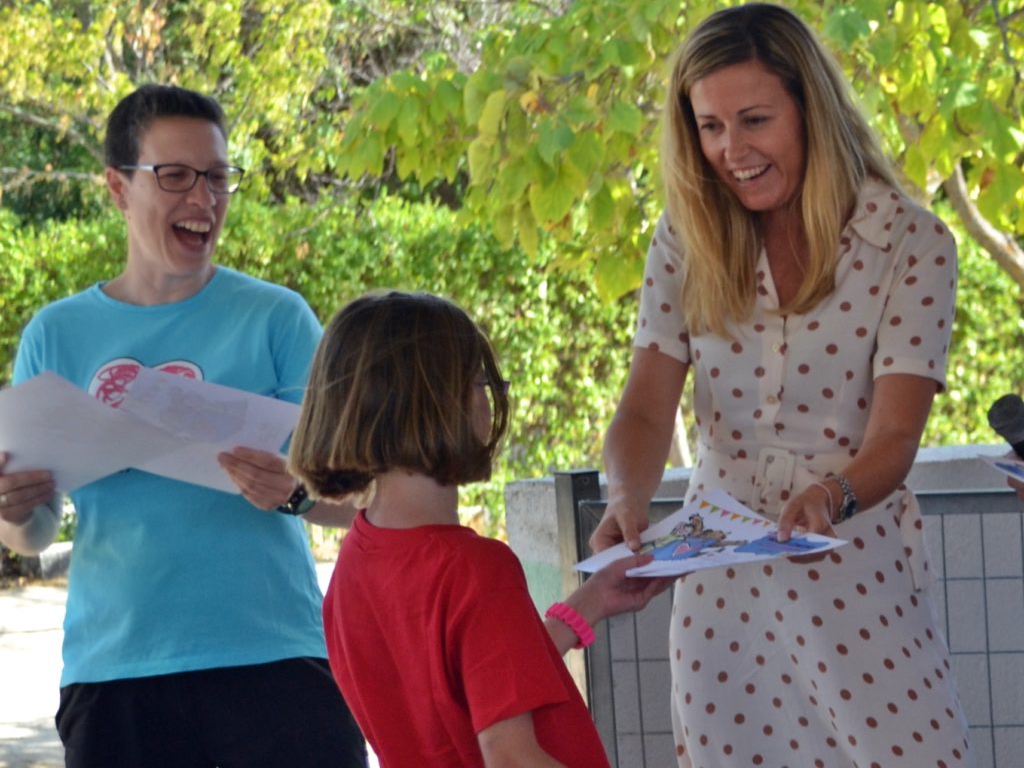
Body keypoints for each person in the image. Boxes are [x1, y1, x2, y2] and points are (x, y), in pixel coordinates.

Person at [590, 3, 975, 767]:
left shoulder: (913, 242)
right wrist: (625, 498)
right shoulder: (683, 235)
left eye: (755, 119)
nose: (732, 150)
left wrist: (831, 497)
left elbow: (896, 437)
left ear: (811, 109)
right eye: (710, 127)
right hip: (720, 592)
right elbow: (642, 406)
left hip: (853, 567)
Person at [0, 84, 367, 767]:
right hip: (116, 675)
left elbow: (360, 500)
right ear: (117, 188)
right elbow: (35, 529)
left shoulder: (279, 319)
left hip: (278, 663)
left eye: (219, 176)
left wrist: (294, 491)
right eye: (175, 176)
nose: (204, 198)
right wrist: (12, 509)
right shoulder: (56, 334)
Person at [288, 290, 672, 768]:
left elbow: (474, 686)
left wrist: (590, 603)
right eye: (478, 383)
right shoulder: (476, 570)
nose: (488, 399)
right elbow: (511, 758)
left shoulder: (358, 559)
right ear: (438, 404)